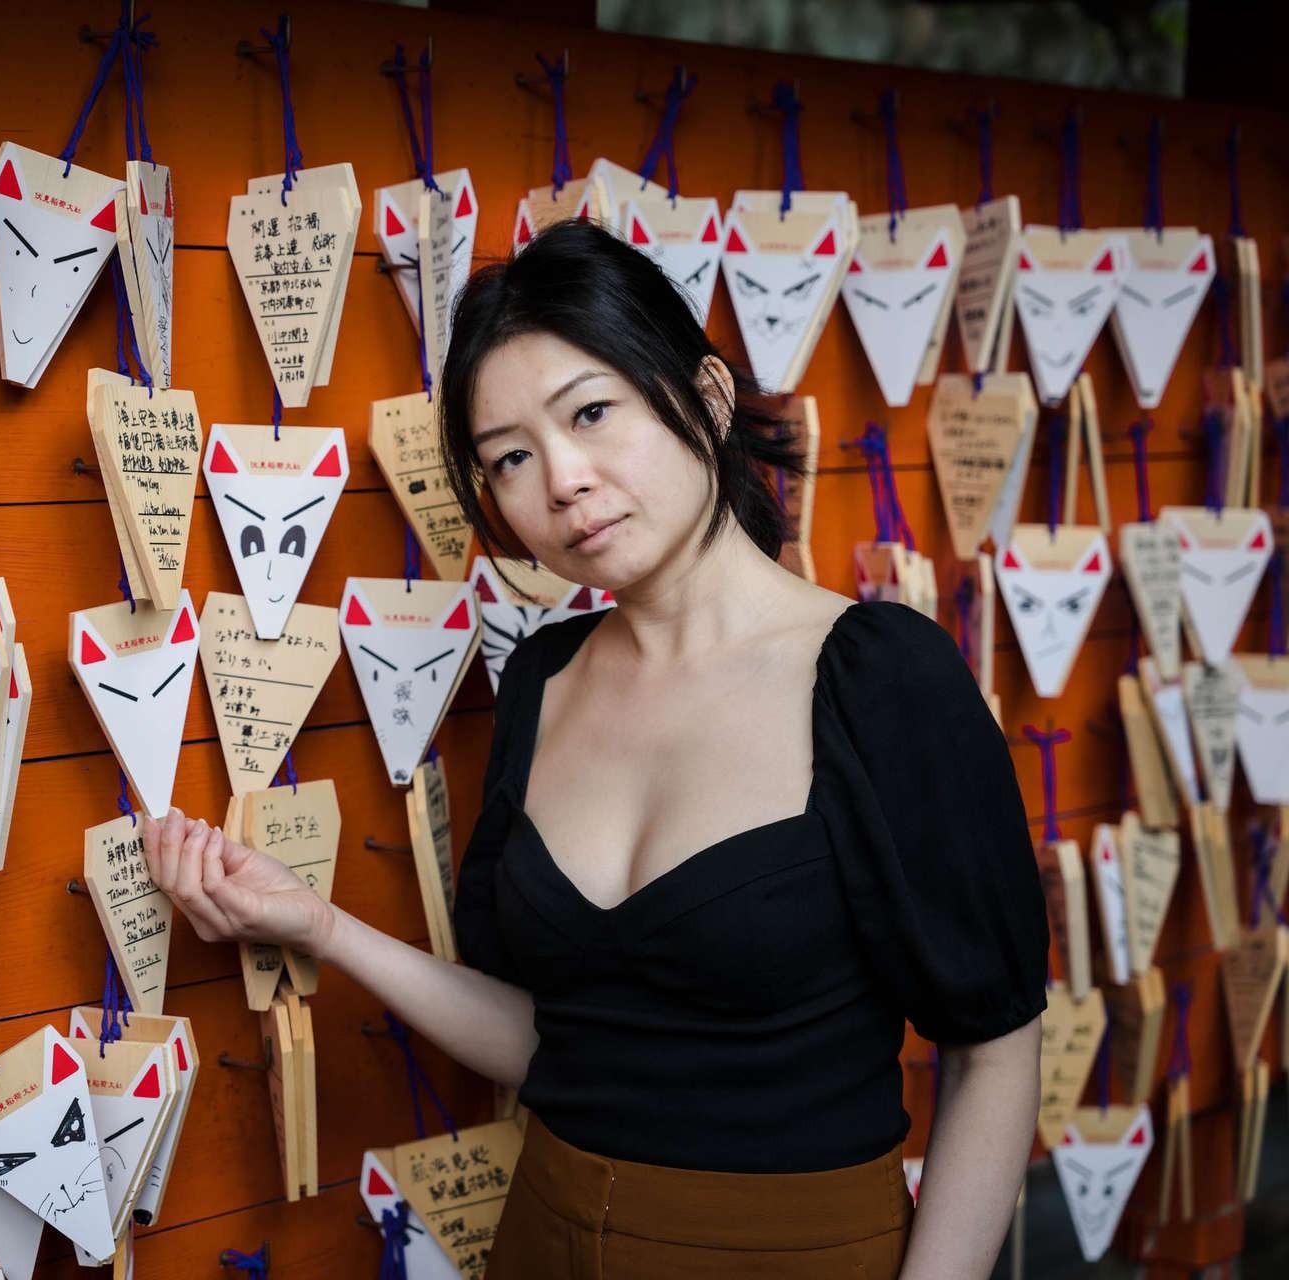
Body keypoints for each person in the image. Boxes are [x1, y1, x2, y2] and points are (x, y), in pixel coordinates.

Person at [140, 219, 1047, 1278]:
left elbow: (995, 1047)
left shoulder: (881, 677)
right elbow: (560, 1042)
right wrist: (321, 925)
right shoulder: (543, 681)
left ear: (706, 400)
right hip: (542, 1238)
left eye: (593, 412)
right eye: (511, 458)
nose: (562, 479)